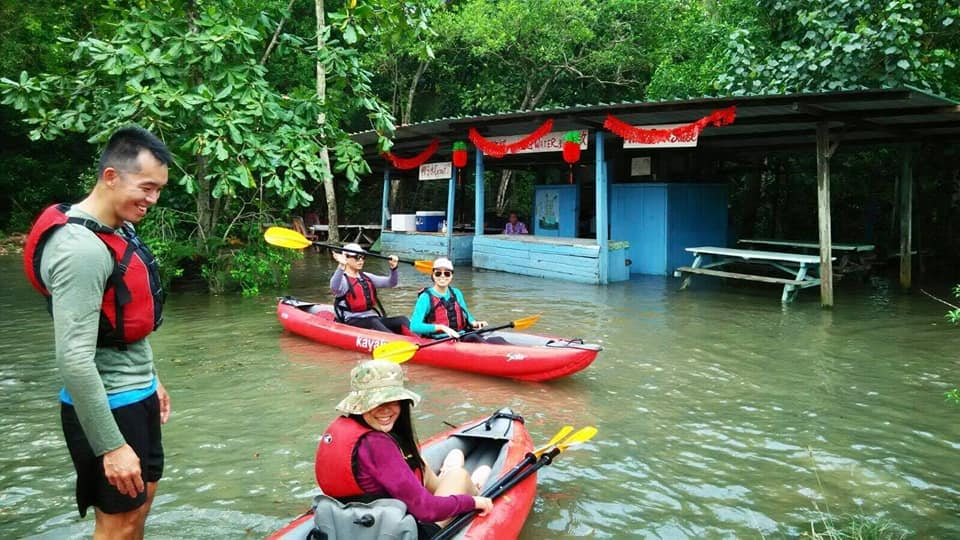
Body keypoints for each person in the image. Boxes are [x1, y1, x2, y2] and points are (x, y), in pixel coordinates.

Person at [22, 126, 172, 538]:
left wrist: (152, 377)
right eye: (146, 187)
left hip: (136, 391)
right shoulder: (80, 249)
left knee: (140, 508)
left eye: (158, 189)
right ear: (110, 177)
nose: (153, 199)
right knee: (118, 525)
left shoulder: (118, 228)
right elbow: (73, 359)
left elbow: (121, 321)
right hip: (107, 406)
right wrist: (110, 444)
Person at [315, 360, 493, 536]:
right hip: (399, 531)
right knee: (459, 475)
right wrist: (473, 502)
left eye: (392, 400)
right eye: (375, 403)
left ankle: (450, 474)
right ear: (360, 405)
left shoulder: (341, 429)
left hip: (354, 522)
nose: (385, 410)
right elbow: (426, 510)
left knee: (420, 463)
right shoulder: (377, 444)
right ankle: (472, 485)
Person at [409, 258, 506, 344]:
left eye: (447, 273)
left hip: (461, 335)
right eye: (438, 273)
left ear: (452, 276)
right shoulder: (425, 298)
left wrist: (474, 323)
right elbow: (414, 326)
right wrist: (442, 327)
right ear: (433, 275)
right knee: (474, 338)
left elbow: (466, 314)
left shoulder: (456, 293)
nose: (442, 276)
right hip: (440, 340)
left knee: (498, 339)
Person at [330, 243, 410, 334]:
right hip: (353, 320)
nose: (360, 260)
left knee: (402, 320)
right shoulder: (343, 279)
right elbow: (334, 288)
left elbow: (391, 283)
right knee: (373, 322)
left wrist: (394, 268)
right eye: (356, 257)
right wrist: (341, 265)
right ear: (346, 258)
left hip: (372, 318)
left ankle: (423, 339)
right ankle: (397, 342)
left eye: (362, 257)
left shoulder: (366, 277)